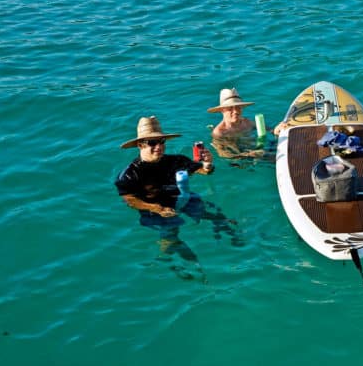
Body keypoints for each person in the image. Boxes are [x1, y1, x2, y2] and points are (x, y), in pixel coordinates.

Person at [115, 116, 238, 266]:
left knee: (208, 210)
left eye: (161, 141)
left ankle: (224, 230)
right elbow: (130, 200)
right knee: (171, 234)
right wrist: (157, 208)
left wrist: (208, 165)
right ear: (140, 145)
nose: (159, 146)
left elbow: (203, 171)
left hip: (181, 198)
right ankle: (163, 261)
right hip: (154, 209)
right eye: (152, 142)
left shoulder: (176, 161)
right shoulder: (129, 174)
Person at [208, 88, 275, 161]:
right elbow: (223, 154)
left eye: (238, 107)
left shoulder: (247, 122)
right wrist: (247, 155)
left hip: (258, 149)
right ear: (222, 110)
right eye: (230, 108)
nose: (236, 111)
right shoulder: (219, 132)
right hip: (241, 159)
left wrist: (275, 130)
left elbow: (268, 129)